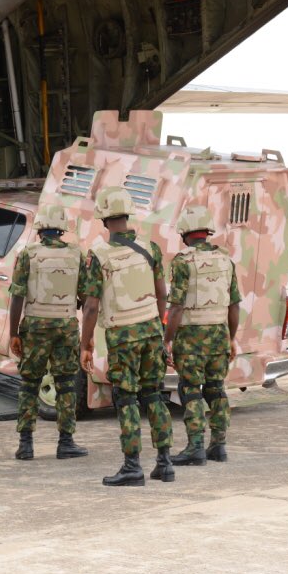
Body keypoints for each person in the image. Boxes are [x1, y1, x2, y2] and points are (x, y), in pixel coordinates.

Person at [79, 187, 174, 486]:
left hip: (122, 336)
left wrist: (85, 344)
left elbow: (92, 305)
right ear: (128, 214)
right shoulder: (151, 248)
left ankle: (132, 466)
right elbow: (162, 294)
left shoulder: (98, 255)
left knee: (127, 399)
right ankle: (165, 463)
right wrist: (157, 328)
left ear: (104, 220)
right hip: (151, 332)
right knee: (155, 396)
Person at [9, 204, 89, 461]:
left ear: (40, 228)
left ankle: (26, 444)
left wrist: (13, 333)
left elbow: (18, 296)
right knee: (66, 384)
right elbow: (86, 297)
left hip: (35, 327)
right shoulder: (76, 254)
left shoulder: (28, 254)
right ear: (62, 228)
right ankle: (66, 442)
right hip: (66, 326)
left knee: (29, 384)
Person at [163, 206, 241, 465]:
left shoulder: (182, 261)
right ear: (207, 232)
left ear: (185, 234)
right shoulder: (226, 260)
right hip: (219, 333)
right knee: (217, 389)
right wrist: (231, 337)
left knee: (191, 390)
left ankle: (195, 446)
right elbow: (234, 305)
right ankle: (219, 446)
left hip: (191, 337)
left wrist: (167, 340)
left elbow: (176, 306)